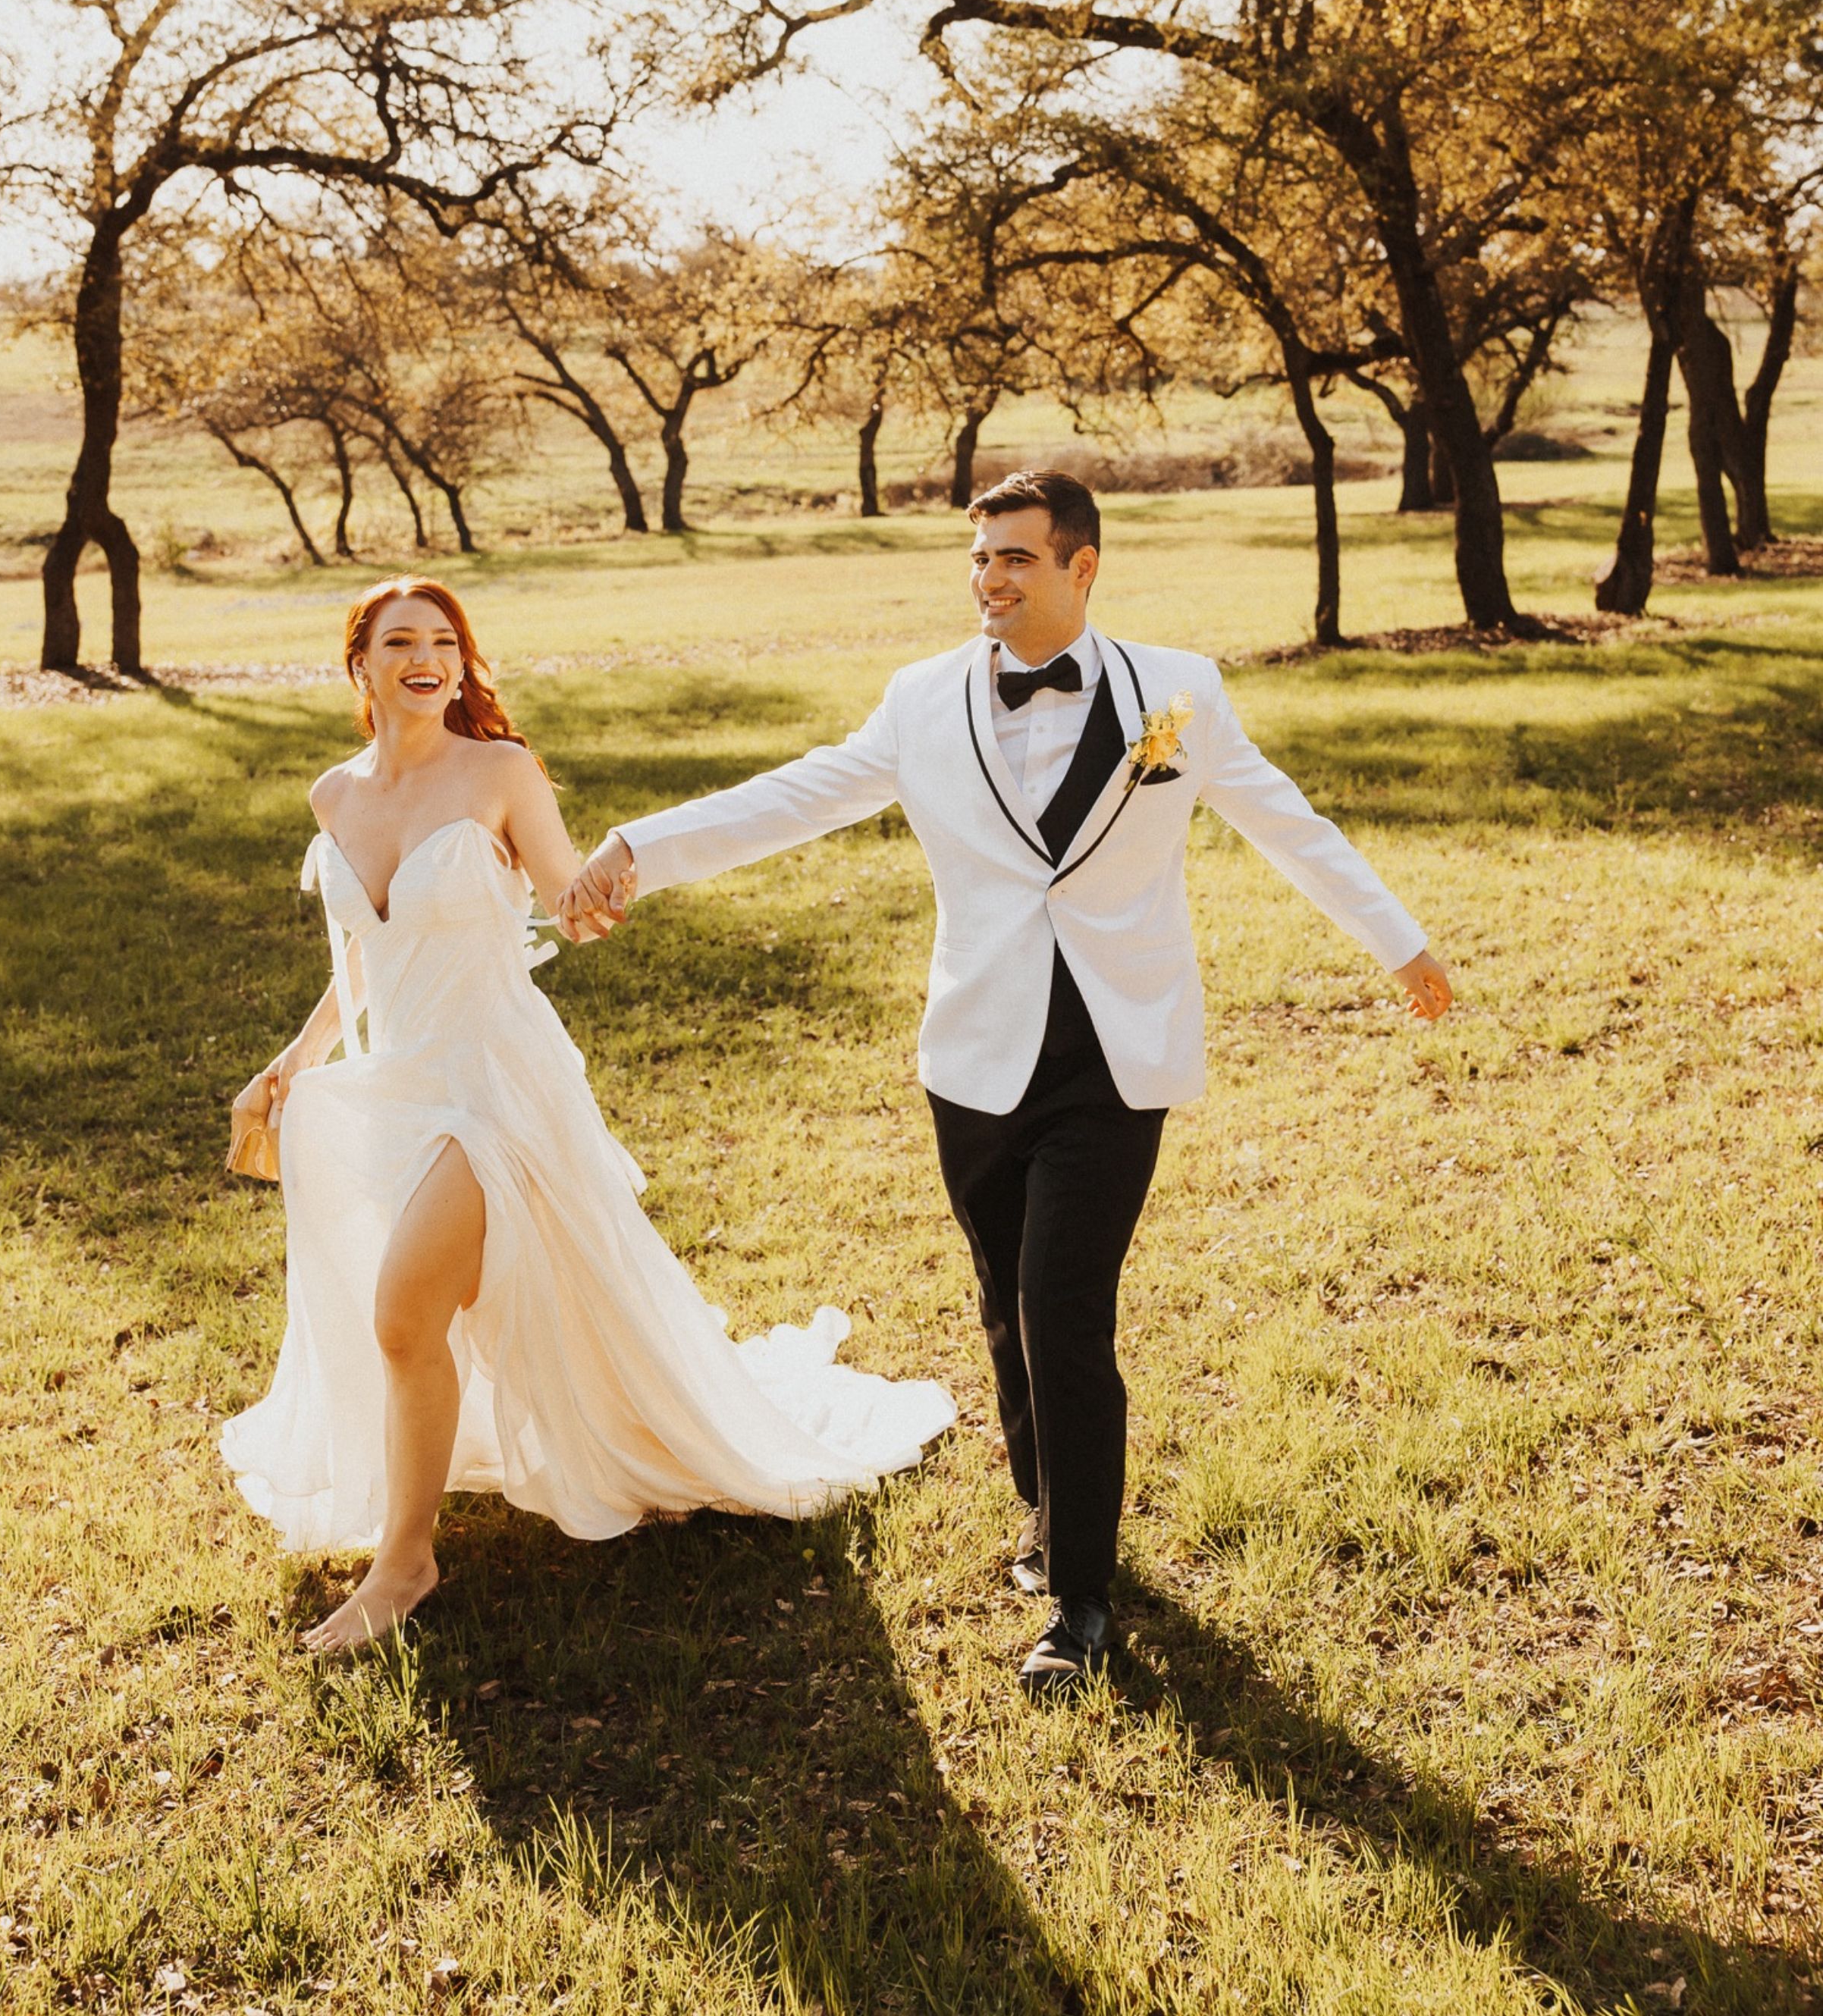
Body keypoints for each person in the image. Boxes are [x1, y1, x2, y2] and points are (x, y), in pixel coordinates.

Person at [564, 469, 1457, 1701]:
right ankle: (1046, 1511)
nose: (989, 580)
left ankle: (1083, 1601)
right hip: (977, 1056)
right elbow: (802, 795)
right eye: (979, 559)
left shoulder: (1177, 694)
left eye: (1016, 560)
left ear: (1083, 567)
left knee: (1061, 1308)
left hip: (1114, 1052)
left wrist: (1397, 940)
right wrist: (638, 849)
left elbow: (1287, 821)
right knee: (1003, 1304)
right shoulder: (921, 700)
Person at [219, 578, 954, 1655]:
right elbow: (367, 958)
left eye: (444, 643)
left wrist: (595, 894)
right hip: (397, 1083)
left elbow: (565, 895)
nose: (427, 658)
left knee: (401, 1313)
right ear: (360, 667)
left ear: (463, 666)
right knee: (419, 1320)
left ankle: (405, 1564)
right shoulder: (337, 796)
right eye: (400, 642)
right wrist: (291, 1063)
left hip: (496, 1081)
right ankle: (433, 1512)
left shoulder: (501, 774)